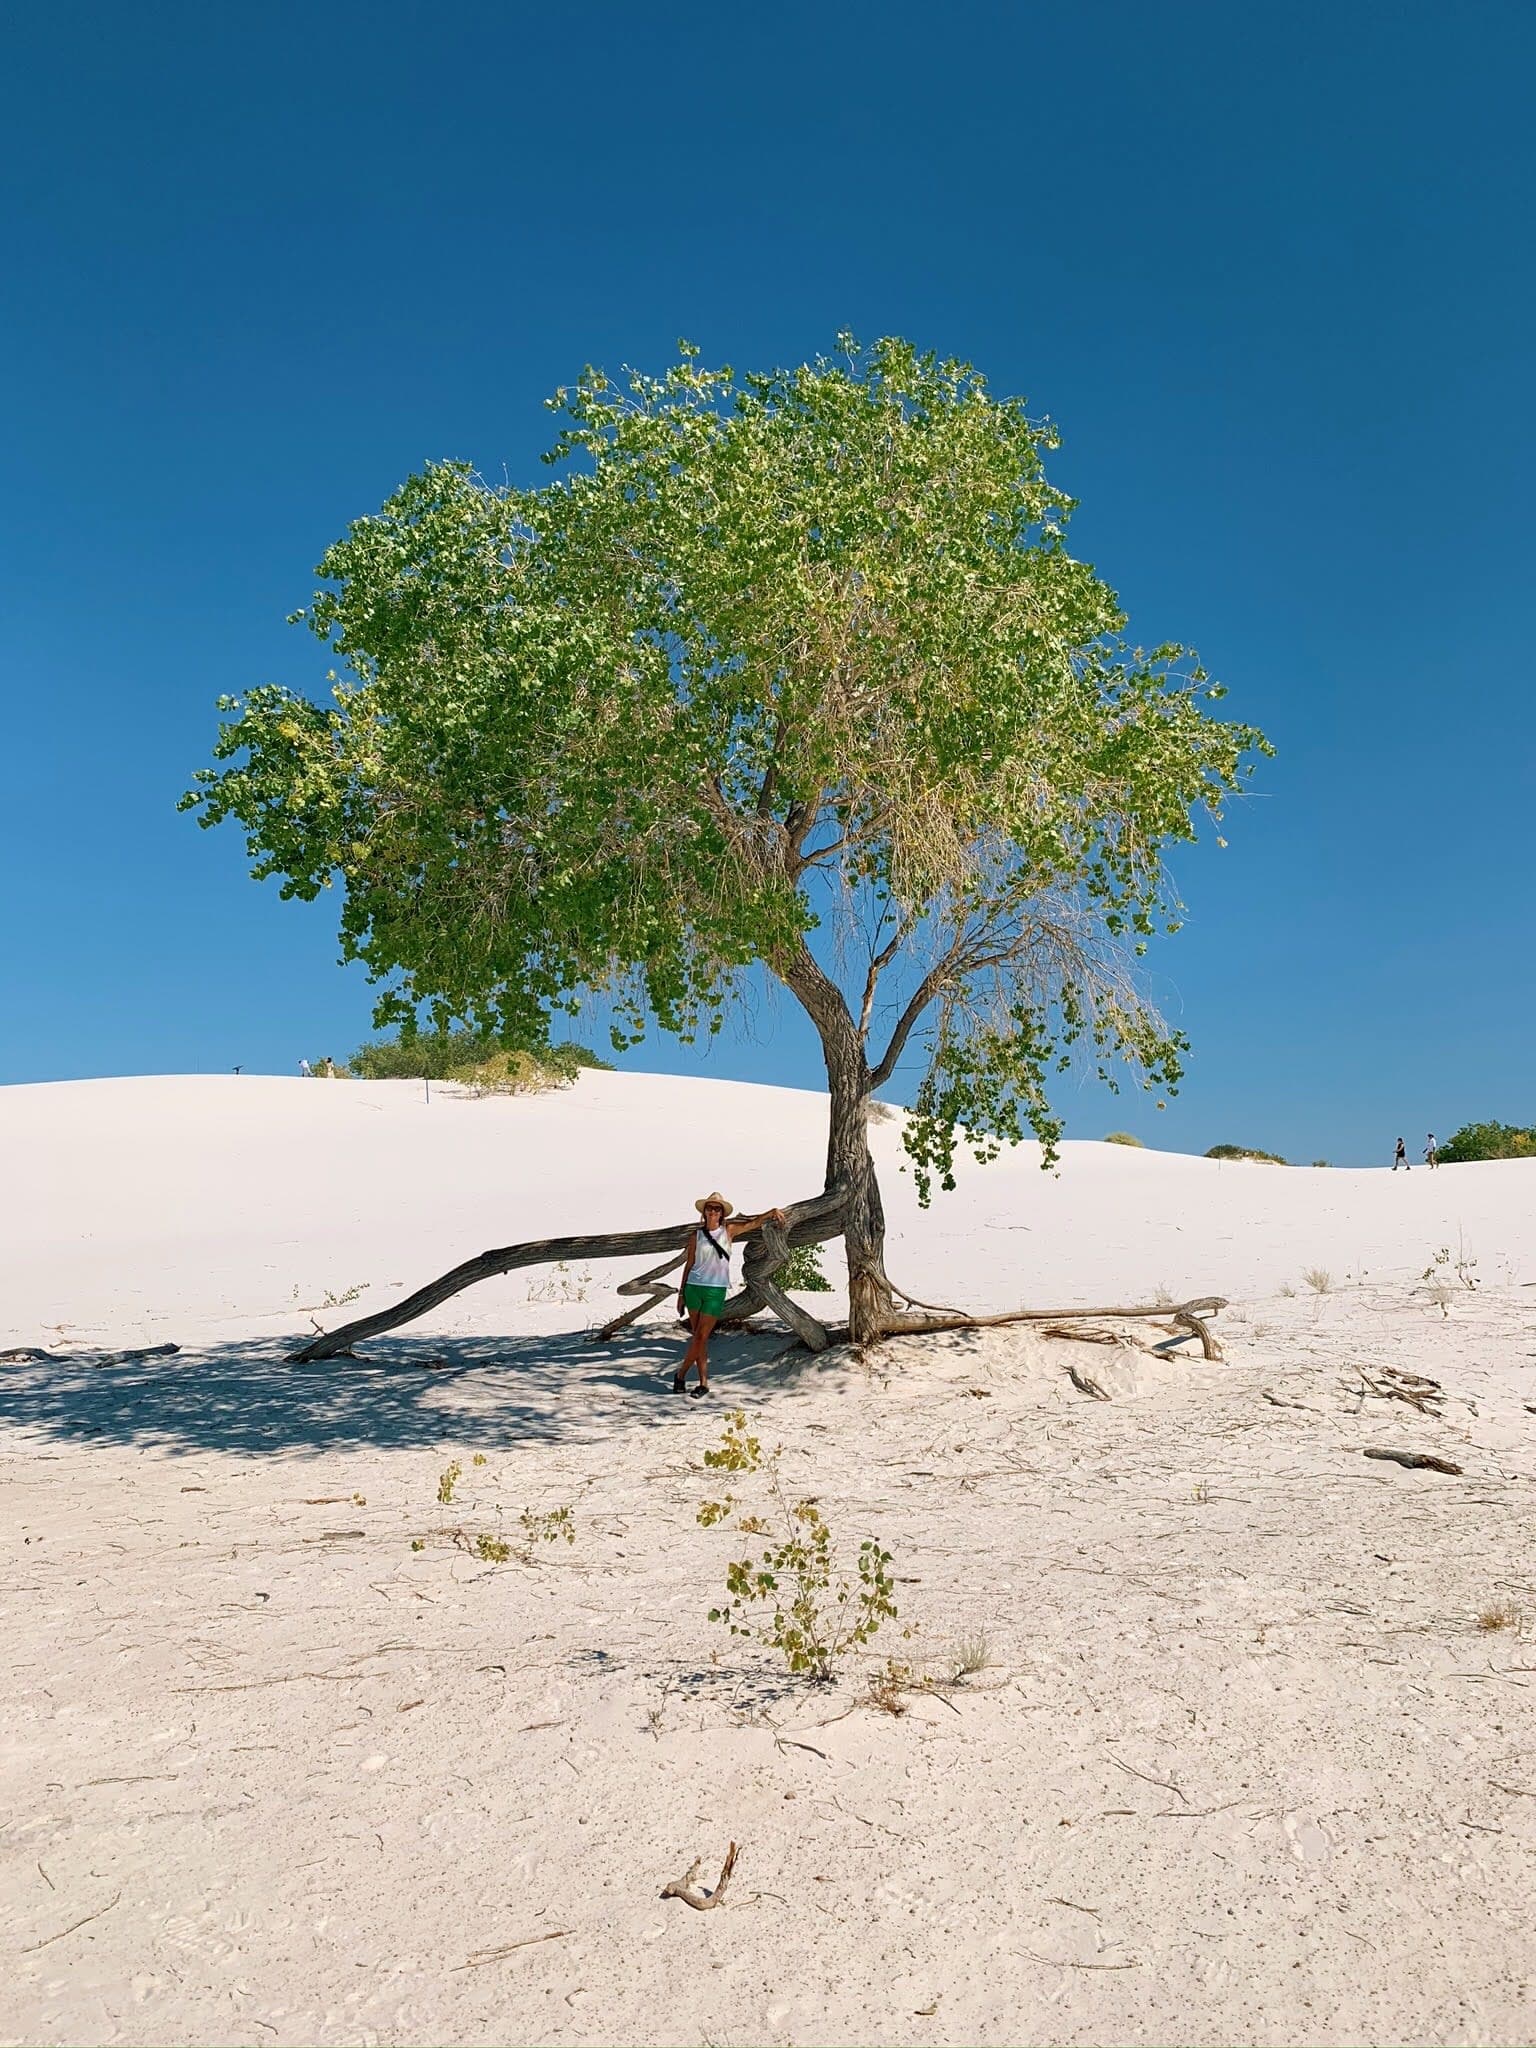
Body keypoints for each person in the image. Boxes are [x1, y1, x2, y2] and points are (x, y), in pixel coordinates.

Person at [674, 1192, 789, 1399]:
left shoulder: (728, 1231)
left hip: (715, 1290)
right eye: (709, 1208)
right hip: (694, 1288)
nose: (713, 1212)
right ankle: (702, 1383)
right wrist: (681, 1293)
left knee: (701, 1336)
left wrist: (770, 1213)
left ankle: (681, 1374)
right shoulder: (696, 1236)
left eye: (717, 1209)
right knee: (698, 1337)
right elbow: (689, 1264)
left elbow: (752, 1223)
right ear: (704, 1211)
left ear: (722, 1213)